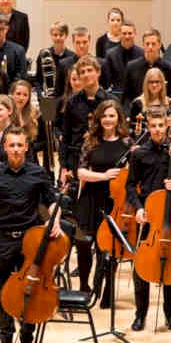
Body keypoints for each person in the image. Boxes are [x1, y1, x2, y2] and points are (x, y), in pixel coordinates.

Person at [0, 128, 62, 343]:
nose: (15, 149)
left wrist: (56, 219)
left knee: (30, 290)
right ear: (5, 147)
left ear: (26, 147)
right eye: (11, 145)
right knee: (3, 290)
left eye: (19, 145)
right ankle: (5, 339)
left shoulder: (38, 172)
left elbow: (52, 201)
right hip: (3, 239)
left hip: (30, 240)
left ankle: (26, 339)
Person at [129, 118, 171, 332]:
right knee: (142, 266)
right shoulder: (139, 153)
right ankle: (140, 314)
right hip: (148, 214)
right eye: (153, 126)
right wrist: (138, 208)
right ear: (148, 127)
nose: (157, 130)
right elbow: (131, 185)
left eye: (160, 126)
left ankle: (170, 314)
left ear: (167, 126)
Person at [72, 99, 132, 304]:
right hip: (90, 197)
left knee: (108, 246)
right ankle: (84, 286)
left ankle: (106, 287)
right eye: (104, 116)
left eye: (111, 116)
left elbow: (132, 174)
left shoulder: (127, 143)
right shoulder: (90, 141)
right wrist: (104, 176)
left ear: (118, 118)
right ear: (99, 118)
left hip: (113, 200)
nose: (107, 119)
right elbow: (81, 172)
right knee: (83, 243)